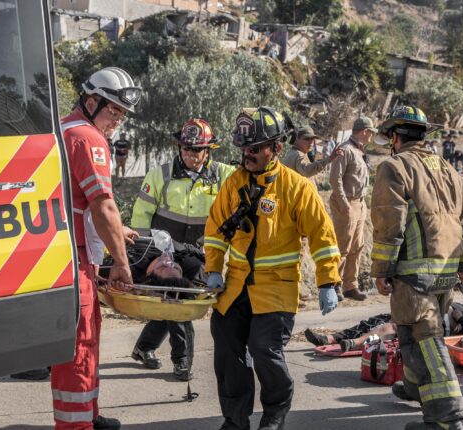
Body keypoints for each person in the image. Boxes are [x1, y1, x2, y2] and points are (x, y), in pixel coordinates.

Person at [204, 106, 342, 430]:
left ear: (275, 148)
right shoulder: (233, 184)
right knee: (226, 346)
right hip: (236, 286)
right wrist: (213, 269)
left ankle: (276, 411)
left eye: (254, 148)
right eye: (243, 148)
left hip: (277, 287)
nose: (246, 154)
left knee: (264, 349)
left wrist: (327, 282)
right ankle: (235, 421)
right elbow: (214, 231)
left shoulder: (297, 188)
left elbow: (323, 237)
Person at [371, 105, 463, 430]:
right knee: (408, 331)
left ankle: (446, 416)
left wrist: (380, 269)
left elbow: (390, 224)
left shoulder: (394, 167)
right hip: (445, 270)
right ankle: (417, 387)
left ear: (395, 137)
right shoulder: (448, 169)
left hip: (414, 272)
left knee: (425, 335)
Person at [55, 66, 142, 430]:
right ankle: (77, 425)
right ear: (91, 101)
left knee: (86, 339)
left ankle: (89, 416)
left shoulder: (62, 128)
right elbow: (101, 204)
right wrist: (121, 263)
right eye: (113, 111)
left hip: (64, 253)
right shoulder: (89, 138)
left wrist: (118, 229)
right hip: (72, 260)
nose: (117, 121)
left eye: (122, 115)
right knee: (79, 346)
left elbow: (72, 197)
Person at [130, 119, 235, 381]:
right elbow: (141, 216)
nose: (190, 154)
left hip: (201, 253)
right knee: (177, 299)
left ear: (208, 150)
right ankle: (182, 360)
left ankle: (144, 347)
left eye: (196, 150)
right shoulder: (160, 175)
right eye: (185, 148)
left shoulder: (225, 176)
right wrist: (146, 254)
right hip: (166, 252)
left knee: (180, 301)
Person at [304, 303, 463, 353]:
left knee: (393, 327)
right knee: (378, 320)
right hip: (431, 309)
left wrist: (462, 320)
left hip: (436, 320)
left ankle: (353, 342)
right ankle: (332, 339)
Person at [328, 117, 377, 302]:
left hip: (359, 203)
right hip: (347, 203)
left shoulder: (359, 151)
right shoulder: (346, 150)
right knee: (342, 246)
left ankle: (350, 286)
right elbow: (335, 179)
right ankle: (335, 285)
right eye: (371, 132)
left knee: (357, 246)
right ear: (364, 131)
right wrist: (344, 203)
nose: (372, 135)